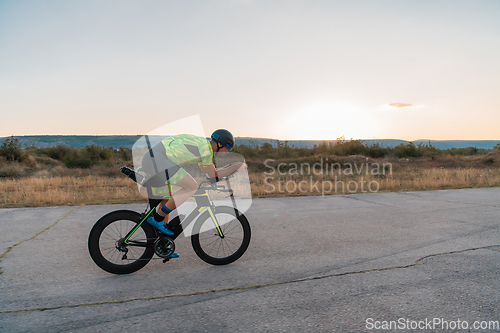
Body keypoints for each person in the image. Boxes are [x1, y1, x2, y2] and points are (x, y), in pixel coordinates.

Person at [142, 129, 246, 257]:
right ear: (220, 143)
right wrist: (236, 166)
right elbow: (213, 174)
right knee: (191, 186)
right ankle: (158, 219)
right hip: (158, 159)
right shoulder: (206, 149)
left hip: (153, 158)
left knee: (167, 199)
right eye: (228, 146)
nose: (228, 151)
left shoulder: (202, 147)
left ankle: (163, 243)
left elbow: (212, 173)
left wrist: (232, 166)